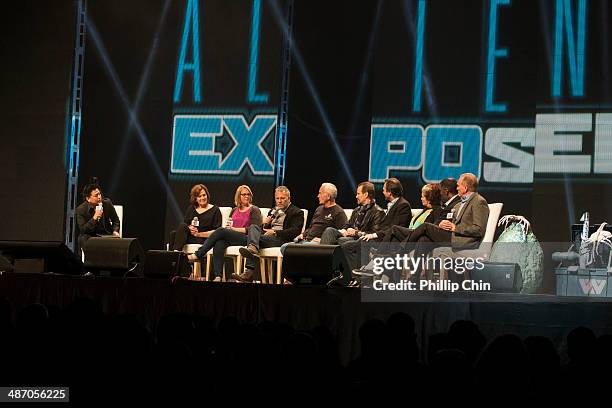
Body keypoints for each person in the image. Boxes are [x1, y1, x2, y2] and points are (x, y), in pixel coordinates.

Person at [405, 173, 489, 281]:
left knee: (425, 227)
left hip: (464, 240)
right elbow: (452, 221)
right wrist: (442, 224)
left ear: (465, 187)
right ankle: (414, 276)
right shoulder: (459, 204)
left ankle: (401, 247)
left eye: (458, 186)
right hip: (453, 235)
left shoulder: (479, 201)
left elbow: (479, 229)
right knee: (423, 239)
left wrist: (455, 228)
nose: (456, 188)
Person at [188, 185, 262, 281]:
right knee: (219, 243)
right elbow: (230, 224)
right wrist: (230, 228)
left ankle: (199, 254)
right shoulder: (234, 210)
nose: (246, 196)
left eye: (248, 194)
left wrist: (234, 229)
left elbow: (254, 229)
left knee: (221, 230)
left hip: (247, 238)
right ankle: (218, 276)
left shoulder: (254, 209)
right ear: (238, 196)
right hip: (233, 237)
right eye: (243, 194)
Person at [233, 186, 304, 282]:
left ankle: (249, 272)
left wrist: (275, 232)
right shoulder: (273, 211)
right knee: (254, 227)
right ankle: (252, 251)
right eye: (277, 198)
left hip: (282, 240)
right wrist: (264, 223)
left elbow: (295, 231)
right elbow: (262, 229)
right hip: (266, 238)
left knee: (253, 240)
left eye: (282, 198)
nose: (279, 201)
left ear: (289, 198)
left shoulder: (296, 212)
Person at [340, 178, 412, 270]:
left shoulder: (403, 205)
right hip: (383, 237)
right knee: (349, 245)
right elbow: (386, 226)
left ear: (390, 192)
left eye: (384, 190)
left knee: (360, 243)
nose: (382, 192)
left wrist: (373, 235)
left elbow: (396, 228)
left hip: (393, 240)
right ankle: (357, 274)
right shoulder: (393, 204)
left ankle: (364, 274)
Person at [320, 181, 384, 245]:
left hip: (361, 240)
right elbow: (347, 225)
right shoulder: (356, 210)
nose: (356, 196)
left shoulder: (378, 212)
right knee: (329, 231)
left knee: (338, 240)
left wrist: (356, 232)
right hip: (350, 237)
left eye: (358, 194)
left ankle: (324, 253)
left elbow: (375, 235)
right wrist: (345, 230)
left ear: (365, 195)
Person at [170, 184, 222, 251]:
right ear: (195, 199)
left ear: (207, 195)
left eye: (204, 195)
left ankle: (176, 256)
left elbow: (217, 232)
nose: (202, 198)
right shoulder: (191, 209)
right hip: (191, 237)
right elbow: (185, 225)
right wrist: (190, 228)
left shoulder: (215, 210)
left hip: (204, 238)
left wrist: (198, 234)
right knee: (173, 234)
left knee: (176, 236)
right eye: (199, 196)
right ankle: (173, 258)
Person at [75, 180, 120, 255]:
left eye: (99, 194)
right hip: (90, 236)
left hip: (105, 234)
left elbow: (115, 220)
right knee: (82, 238)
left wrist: (115, 230)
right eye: (96, 195)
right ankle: (88, 262)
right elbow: (83, 229)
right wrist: (94, 218)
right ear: (88, 198)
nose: (99, 197)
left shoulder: (107, 203)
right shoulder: (81, 210)